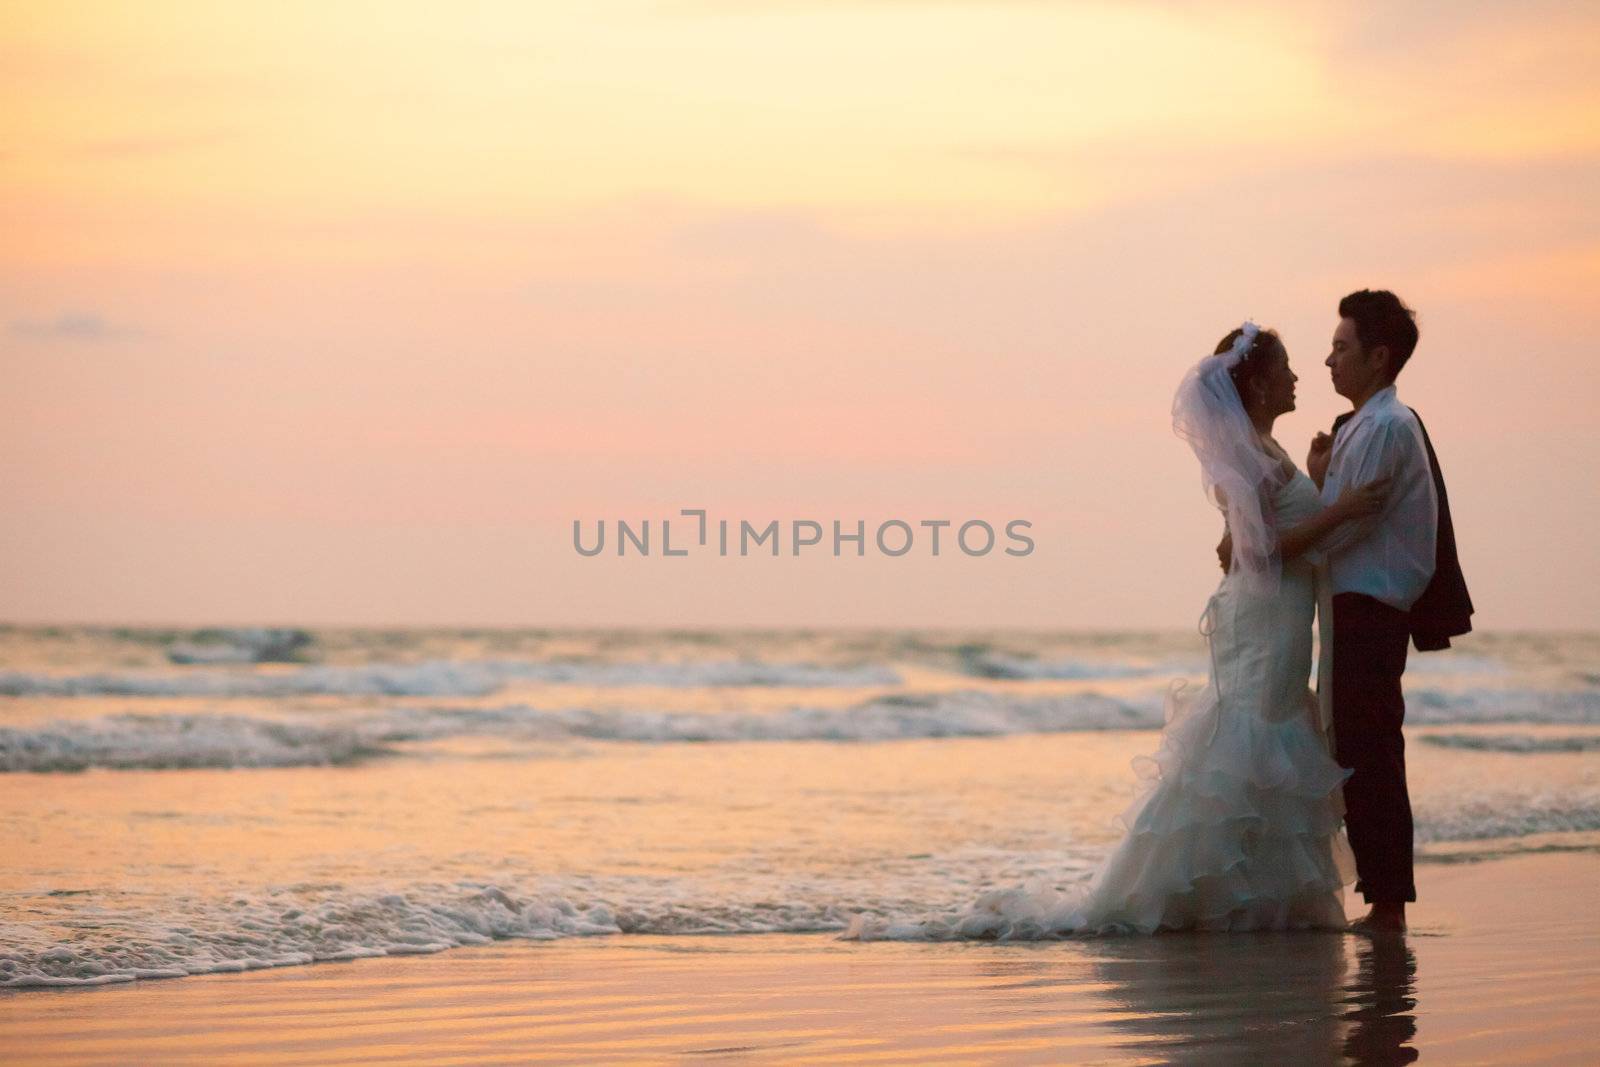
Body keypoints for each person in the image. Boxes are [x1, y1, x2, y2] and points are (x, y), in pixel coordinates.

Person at [840, 323, 1387, 940]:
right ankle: (1200, 897)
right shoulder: (1250, 458)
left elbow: (1243, 540)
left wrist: (1315, 478)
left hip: (1279, 618)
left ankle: (1261, 900)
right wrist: (1339, 509)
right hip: (1262, 621)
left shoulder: (1268, 449)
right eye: (1285, 369)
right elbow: (1252, 555)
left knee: (1272, 738)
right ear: (1258, 384)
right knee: (1248, 741)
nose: (1296, 378)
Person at [1312, 289, 1469, 934]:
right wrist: (1322, 476)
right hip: (1357, 605)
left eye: (1342, 348)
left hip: (1370, 607)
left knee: (1369, 753)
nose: (1329, 361)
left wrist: (1283, 534)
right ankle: (1382, 897)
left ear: (1379, 357)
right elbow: (1343, 515)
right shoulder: (1367, 426)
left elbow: (1341, 532)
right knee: (1361, 748)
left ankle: (1388, 905)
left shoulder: (1384, 428)